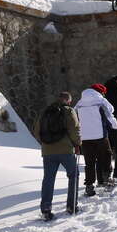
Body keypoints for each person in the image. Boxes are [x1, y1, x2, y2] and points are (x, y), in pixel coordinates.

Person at [33, 92, 81, 221]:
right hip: (66, 150)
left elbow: (36, 131)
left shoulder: (45, 111)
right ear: (68, 101)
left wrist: (46, 144)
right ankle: (71, 206)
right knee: (73, 175)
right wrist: (77, 144)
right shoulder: (69, 111)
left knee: (48, 179)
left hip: (48, 151)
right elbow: (74, 129)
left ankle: (46, 210)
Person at [75, 83, 117, 196]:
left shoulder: (80, 102)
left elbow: (75, 117)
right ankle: (107, 179)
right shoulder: (100, 100)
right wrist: (115, 125)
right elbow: (110, 112)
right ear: (101, 91)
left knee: (89, 162)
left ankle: (89, 186)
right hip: (100, 135)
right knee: (106, 155)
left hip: (85, 138)